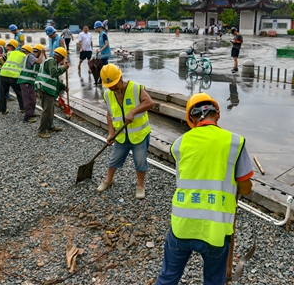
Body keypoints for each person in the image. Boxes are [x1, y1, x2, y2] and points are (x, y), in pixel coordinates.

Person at [155, 93, 253, 285]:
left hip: (181, 227)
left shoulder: (179, 145)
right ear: (217, 115)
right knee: (213, 280)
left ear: (191, 119)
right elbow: (246, 189)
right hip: (215, 231)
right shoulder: (235, 142)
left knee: (167, 277)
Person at [96, 64, 154, 199]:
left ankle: (140, 185)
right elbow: (110, 114)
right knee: (114, 159)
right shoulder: (108, 94)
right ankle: (108, 180)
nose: (113, 88)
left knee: (140, 161)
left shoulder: (135, 88)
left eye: (115, 85)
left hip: (139, 135)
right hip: (121, 136)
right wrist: (110, 133)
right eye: (109, 86)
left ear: (121, 77)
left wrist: (133, 111)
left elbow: (149, 103)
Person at [34, 47, 69, 138]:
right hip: (44, 89)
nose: (63, 61)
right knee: (47, 110)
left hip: (47, 89)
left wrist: (64, 87)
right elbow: (53, 73)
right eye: (63, 58)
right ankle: (41, 131)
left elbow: (56, 79)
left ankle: (50, 126)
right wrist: (64, 68)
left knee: (51, 109)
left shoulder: (53, 63)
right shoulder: (51, 61)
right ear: (60, 57)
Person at [17, 44, 45, 123]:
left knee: (33, 98)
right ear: (39, 52)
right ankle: (28, 116)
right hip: (26, 81)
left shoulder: (34, 58)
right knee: (28, 99)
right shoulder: (30, 56)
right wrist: (43, 53)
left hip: (30, 82)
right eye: (41, 53)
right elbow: (39, 61)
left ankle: (31, 112)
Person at [0, 40, 26, 115]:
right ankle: (23, 108)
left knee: (2, 93)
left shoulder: (11, 53)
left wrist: (5, 66)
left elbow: (0, 58)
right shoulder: (25, 57)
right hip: (14, 75)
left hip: (3, 73)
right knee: (19, 92)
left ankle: (3, 110)